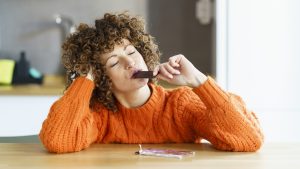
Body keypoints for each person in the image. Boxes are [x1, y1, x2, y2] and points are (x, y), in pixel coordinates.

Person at [39, 12, 264, 153]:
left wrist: (198, 81)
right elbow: (58, 141)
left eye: (132, 51)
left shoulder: (180, 104)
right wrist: (86, 79)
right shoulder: (100, 115)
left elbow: (248, 139)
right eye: (114, 63)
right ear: (101, 77)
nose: (130, 63)